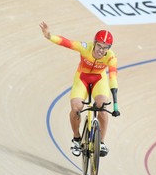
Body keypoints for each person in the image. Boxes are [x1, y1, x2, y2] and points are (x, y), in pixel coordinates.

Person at [39, 21, 120, 157]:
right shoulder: (85, 47)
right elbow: (67, 42)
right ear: (94, 43)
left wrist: (115, 105)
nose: (101, 50)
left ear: (109, 48)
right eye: (99, 46)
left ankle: (101, 142)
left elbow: (113, 78)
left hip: (99, 80)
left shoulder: (111, 57)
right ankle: (76, 139)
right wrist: (49, 36)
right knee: (76, 108)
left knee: (102, 107)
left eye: (105, 47)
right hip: (82, 78)